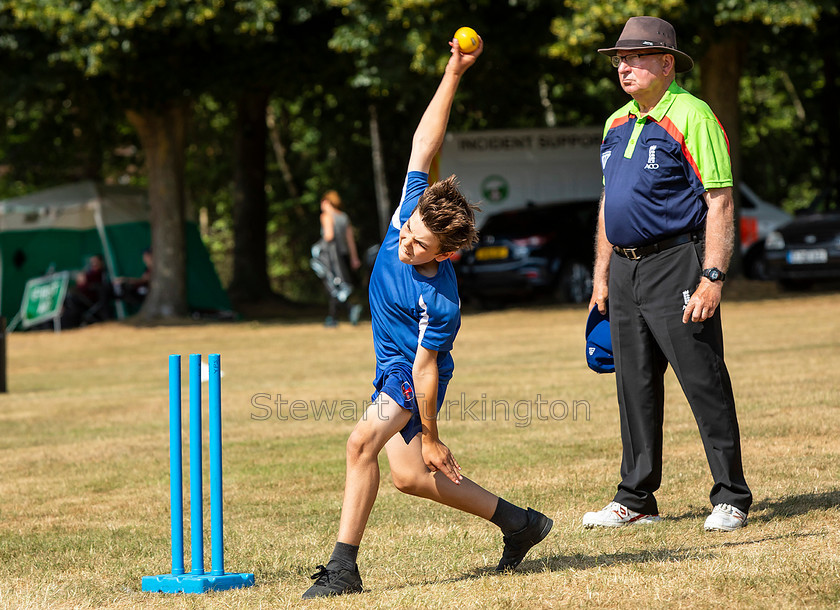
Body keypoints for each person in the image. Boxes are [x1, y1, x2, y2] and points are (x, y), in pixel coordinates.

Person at [302, 36, 552, 599]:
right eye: (408, 232)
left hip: (410, 378)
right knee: (411, 477)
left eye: (419, 245)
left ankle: (344, 569)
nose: (405, 243)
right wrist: (454, 72)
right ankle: (521, 524)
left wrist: (434, 433)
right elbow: (424, 141)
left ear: (445, 254)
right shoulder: (406, 217)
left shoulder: (439, 299)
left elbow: (426, 370)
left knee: (360, 445)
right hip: (391, 368)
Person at [583, 16, 752, 533]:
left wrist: (713, 275)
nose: (623, 67)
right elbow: (611, 204)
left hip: (677, 261)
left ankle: (731, 495)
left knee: (703, 379)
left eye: (633, 58)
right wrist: (601, 278)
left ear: (665, 63)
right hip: (627, 272)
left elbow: (719, 200)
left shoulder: (693, 115)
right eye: (619, 59)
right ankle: (635, 496)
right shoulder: (615, 123)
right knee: (632, 386)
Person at [318, 190, 363, 327]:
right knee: (341, 285)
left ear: (326, 202)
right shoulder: (344, 217)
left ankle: (341, 314)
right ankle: (336, 316)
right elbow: (350, 240)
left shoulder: (326, 216)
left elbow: (329, 236)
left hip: (331, 257)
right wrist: (354, 258)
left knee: (333, 286)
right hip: (343, 255)